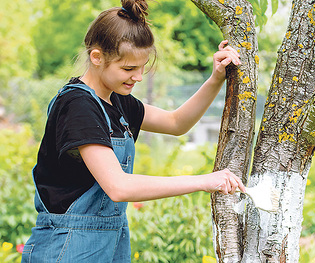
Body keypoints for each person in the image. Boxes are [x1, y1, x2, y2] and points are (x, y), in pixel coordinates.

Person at [21, 0, 244, 262]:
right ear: (97, 57)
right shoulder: (77, 106)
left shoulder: (118, 100)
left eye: (142, 67)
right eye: (128, 69)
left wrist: (216, 77)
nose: (138, 77)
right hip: (69, 246)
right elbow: (118, 186)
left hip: (110, 242)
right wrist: (204, 181)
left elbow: (176, 123)